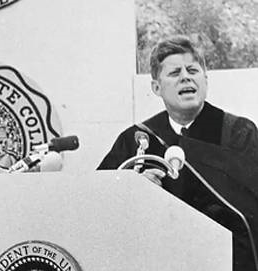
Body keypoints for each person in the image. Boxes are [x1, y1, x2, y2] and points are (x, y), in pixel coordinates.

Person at [97, 35, 258, 271]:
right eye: (174, 73)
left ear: (205, 79)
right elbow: (100, 202)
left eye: (192, 70)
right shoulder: (136, 139)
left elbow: (249, 212)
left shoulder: (239, 133)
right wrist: (133, 190)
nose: (185, 77)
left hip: (228, 260)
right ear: (156, 87)